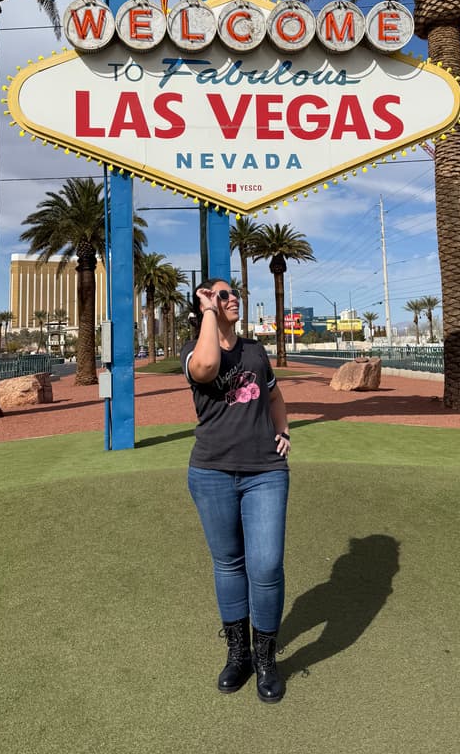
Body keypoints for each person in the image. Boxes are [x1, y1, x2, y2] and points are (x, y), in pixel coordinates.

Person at [181, 278, 291, 703]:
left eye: (234, 295)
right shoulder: (192, 352)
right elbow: (208, 369)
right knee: (228, 564)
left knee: (265, 566)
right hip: (211, 472)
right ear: (205, 302)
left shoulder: (256, 352)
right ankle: (238, 653)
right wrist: (209, 312)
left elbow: (274, 396)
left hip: (265, 470)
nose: (233, 299)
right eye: (223, 294)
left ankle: (265, 658)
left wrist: (283, 431)